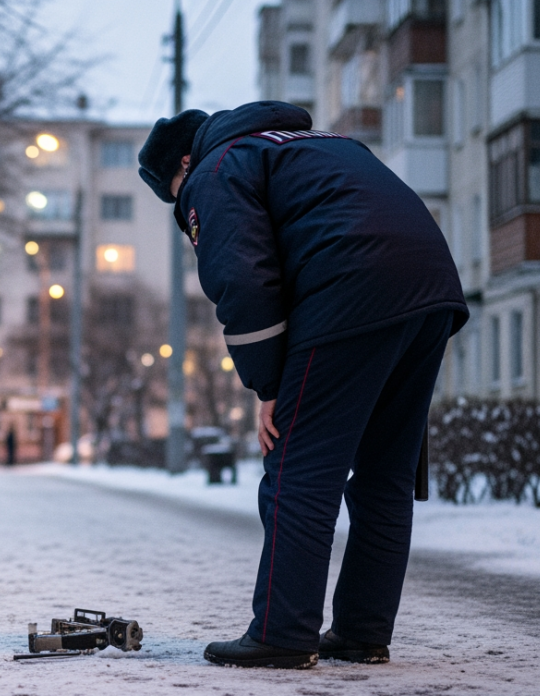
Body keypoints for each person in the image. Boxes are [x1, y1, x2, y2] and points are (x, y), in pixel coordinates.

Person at [137, 101, 467, 669]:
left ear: (185, 162)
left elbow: (240, 276)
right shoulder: (319, 144)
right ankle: (363, 632)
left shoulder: (216, 168)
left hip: (351, 286)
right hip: (433, 290)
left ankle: (282, 633)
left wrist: (268, 384)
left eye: (175, 192)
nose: (182, 205)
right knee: (385, 473)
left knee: (298, 468)